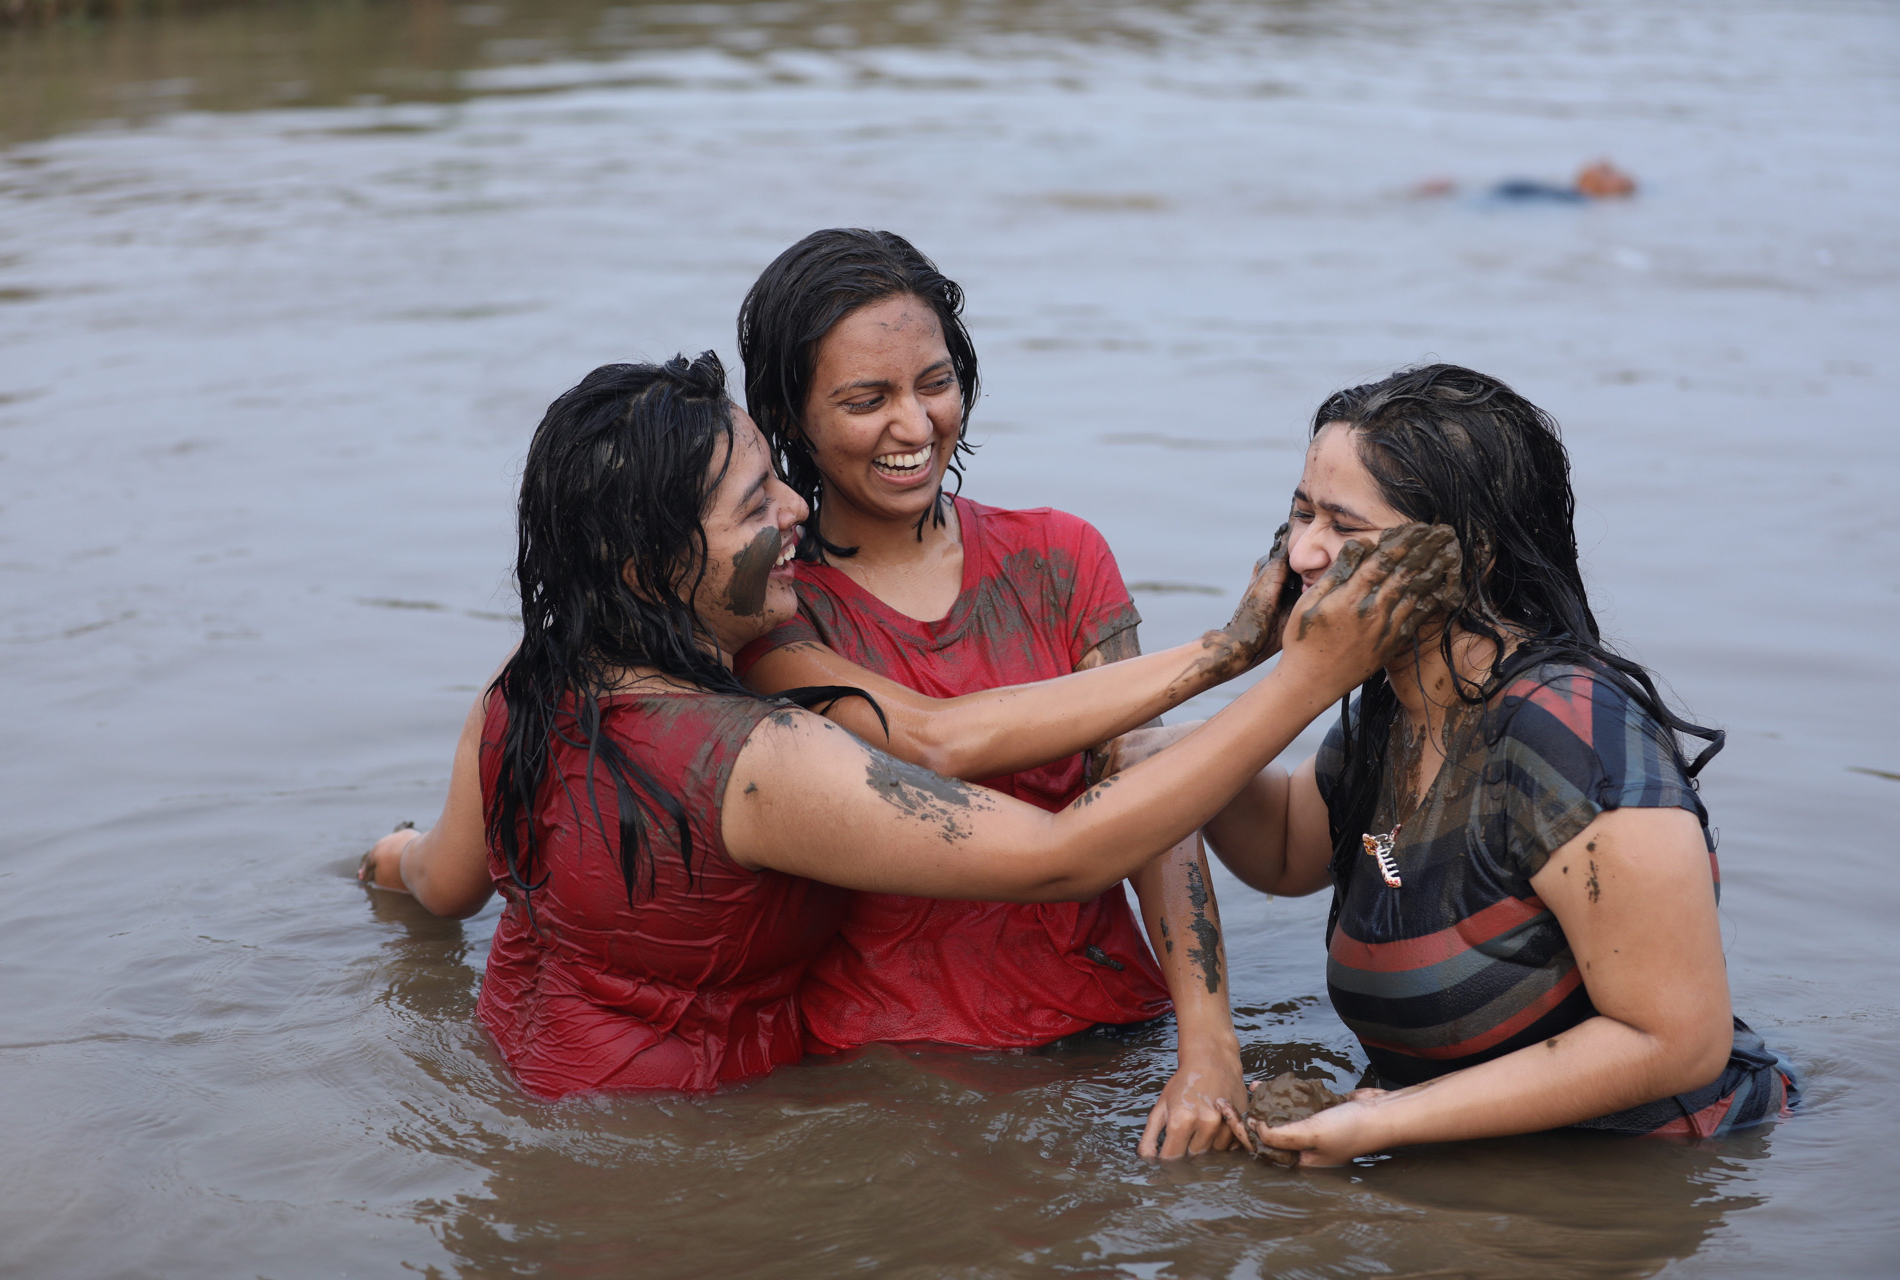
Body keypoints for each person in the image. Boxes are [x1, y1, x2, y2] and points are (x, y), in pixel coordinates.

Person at [358, 350, 1462, 1101]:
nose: (793, 509)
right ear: (654, 567)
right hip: (682, 1140)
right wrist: (1308, 673)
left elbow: (449, 883)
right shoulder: (760, 757)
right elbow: (1059, 854)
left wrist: (384, 858)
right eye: (756, 503)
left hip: (517, 1080)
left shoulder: (523, 687)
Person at [1123, 364, 1793, 1164]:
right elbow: (1286, 851)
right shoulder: (1397, 704)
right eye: (1301, 513)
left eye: (1345, 527)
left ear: (1467, 555)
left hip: (1652, 1169)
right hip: (1472, 1152)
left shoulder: (1570, 734)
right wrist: (1181, 739)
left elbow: (1676, 1041)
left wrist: (1384, 1121)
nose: (1302, 552)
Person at [733, 228, 1250, 1159]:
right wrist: (1246, 652)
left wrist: (1208, 1045)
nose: (915, 425)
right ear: (789, 417)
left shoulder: (1061, 557)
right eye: (866, 399)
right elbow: (932, 744)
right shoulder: (771, 611)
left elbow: (1150, 787)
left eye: (935, 384)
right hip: (884, 1075)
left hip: (1110, 1038)